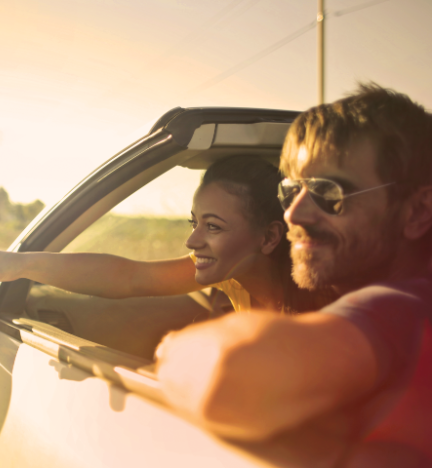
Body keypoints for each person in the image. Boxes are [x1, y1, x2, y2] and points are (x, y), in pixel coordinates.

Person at [154, 83, 432, 467]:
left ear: (417, 212)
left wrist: (170, 352)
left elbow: (232, 378)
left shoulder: (407, 307)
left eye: (328, 192)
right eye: (291, 190)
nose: (294, 214)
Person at [0, 155, 321, 317]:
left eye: (213, 227)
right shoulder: (233, 277)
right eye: (193, 222)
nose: (192, 241)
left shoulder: (320, 301)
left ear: (270, 238)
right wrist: (14, 265)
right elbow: (128, 277)